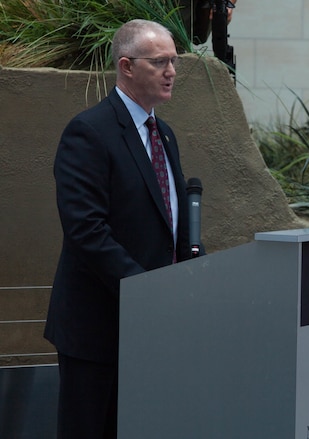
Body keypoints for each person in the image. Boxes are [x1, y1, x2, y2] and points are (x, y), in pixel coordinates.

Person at [44, 19, 191, 439]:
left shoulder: (164, 133)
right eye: (160, 61)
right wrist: (145, 291)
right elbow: (86, 229)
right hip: (98, 330)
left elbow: (170, 221)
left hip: (153, 325)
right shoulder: (89, 132)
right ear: (126, 67)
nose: (171, 71)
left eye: (174, 61)